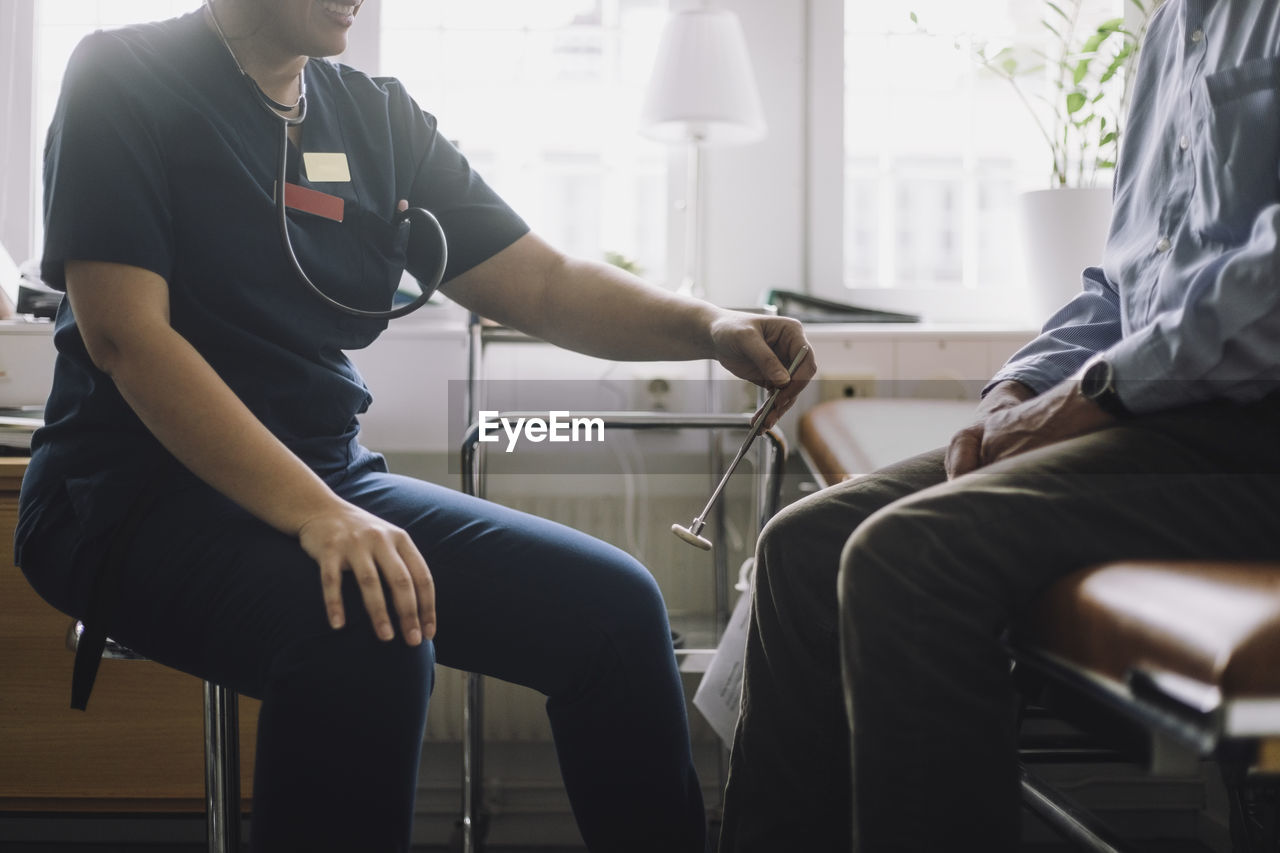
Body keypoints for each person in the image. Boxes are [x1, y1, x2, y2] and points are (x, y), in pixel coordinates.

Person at [14, 1, 813, 850]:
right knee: (367, 629)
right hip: (130, 498)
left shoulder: (374, 116)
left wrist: (709, 326)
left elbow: (541, 280)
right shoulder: (121, 77)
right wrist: (320, 514)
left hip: (330, 480)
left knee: (614, 612)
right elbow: (126, 337)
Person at [718, 1, 1280, 850]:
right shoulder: (1175, 28)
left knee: (909, 556)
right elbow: (1124, 284)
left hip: (1253, 433)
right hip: (1161, 417)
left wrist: (1089, 395)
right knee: (803, 548)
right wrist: (1015, 393)